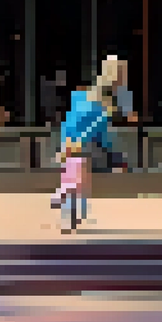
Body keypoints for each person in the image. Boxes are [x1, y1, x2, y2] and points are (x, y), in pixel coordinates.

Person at [51, 58, 127, 228]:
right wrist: (116, 156)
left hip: (69, 142)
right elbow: (103, 132)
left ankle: (67, 199)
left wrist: (65, 142)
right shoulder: (105, 102)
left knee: (75, 168)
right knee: (86, 170)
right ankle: (75, 205)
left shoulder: (79, 96)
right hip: (88, 145)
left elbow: (69, 122)